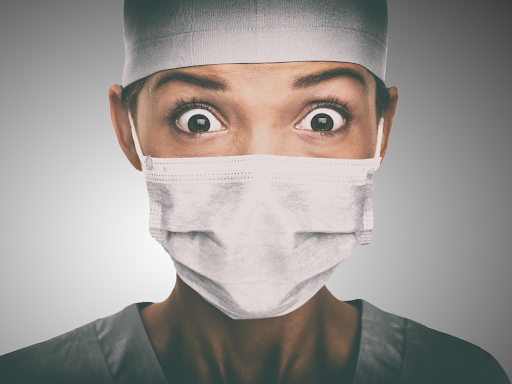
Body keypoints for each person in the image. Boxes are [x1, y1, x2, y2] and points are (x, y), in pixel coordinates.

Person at [0, 0, 510, 383]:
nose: (260, 183)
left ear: (382, 129)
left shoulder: (459, 374)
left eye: (322, 118)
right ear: (126, 128)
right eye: (197, 120)